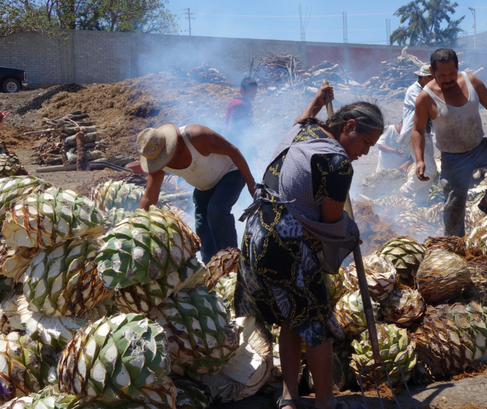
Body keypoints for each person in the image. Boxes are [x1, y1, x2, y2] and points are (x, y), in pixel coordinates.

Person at [235, 85, 382, 409]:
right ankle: (326, 402)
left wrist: (316, 100)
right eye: (366, 143)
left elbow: (301, 117)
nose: (366, 152)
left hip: (257, 238)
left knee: (290, 319)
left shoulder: (305, 131)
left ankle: (289, 398)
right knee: (316, 324)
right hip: (287, 248)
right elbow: (330, 220)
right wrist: (350, 231)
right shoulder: (338, 162)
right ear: (348, 127)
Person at [411, 48, 487, 237]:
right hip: (453, 160)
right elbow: (417, 131)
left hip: (480, 147)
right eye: (442, 75)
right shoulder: (425, 98)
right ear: (431, 71)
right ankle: (456, 244)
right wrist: (419, 160)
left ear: (458, 67)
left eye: (452, 73)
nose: (448, 79)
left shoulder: (472, 82)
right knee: (454, 206)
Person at [137, 123, 256, 263]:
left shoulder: (197, 136)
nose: (163, 163)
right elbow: (150, 196)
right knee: (202, 226)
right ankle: (212, 267)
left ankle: (232, 262)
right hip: (204, 187)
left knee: (216, 211)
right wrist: (137, 224)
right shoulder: (157, 161)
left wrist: (251, 184)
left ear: (172, 145)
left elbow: (233, 151)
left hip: (231, 173)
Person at [397, 63, 438, 205]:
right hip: (414, 134)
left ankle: (420, 202)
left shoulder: (426, 89)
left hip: (425, 134)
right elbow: (430, 105)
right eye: (434, 78)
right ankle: (405, 190)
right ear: (426, 77)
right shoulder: (415, 91)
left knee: (427, 171)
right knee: (431, 169)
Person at [223, 77, 258, 152]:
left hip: (239, 141)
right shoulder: (239, 104)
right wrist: (247, 145)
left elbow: (243, 121)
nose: (254, 94)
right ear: (242, 90)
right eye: (250, 91)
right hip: (232, 144)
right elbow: (233, 130)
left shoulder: (246, 101)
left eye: (255, 91)